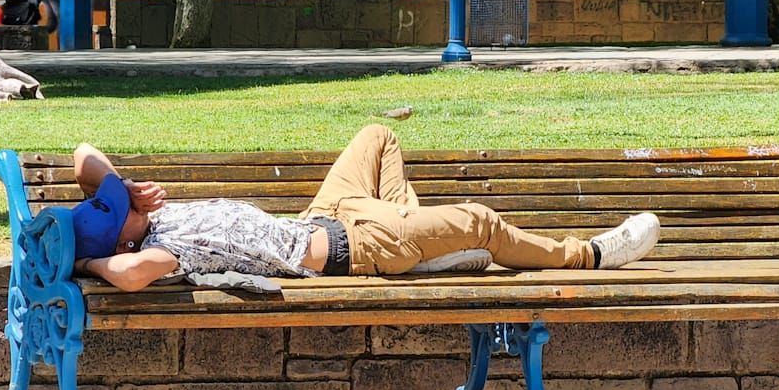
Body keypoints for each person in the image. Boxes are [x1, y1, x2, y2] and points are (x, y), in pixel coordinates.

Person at [66, 125, 662, 291]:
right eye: (121, 207)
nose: (131, 197)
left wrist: (122, 186)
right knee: (480, 220)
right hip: (358, 251)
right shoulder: (157, 253)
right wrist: (95, 264)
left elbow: (82, 154)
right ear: (122, 239)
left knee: (378, 135)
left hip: (328, 215)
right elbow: (132, 275)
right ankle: (588, 255)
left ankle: (424, 246)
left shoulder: (146, 221)